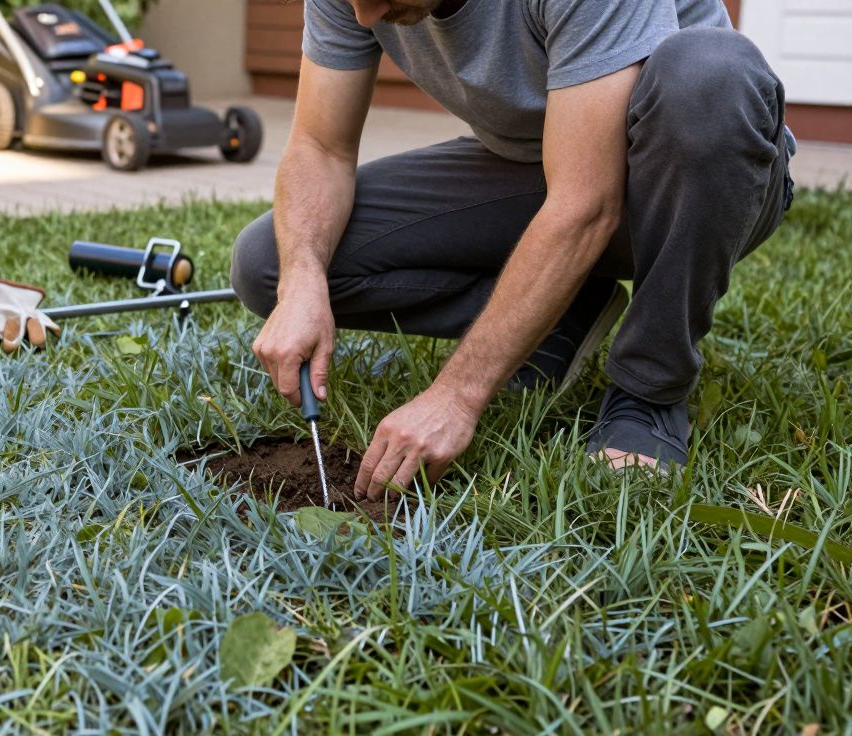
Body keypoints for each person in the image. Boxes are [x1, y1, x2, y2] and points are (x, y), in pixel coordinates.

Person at [230, 0, 795, 500]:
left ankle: (649, 388)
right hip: (542, 168)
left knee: (712, 75)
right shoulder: (357, 0)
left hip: (696, 174)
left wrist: (457, 396)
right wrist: (302, 278)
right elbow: (320, 147)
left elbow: (586, 203)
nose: (364, 17)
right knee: (271, 260)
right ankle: (563, 318)